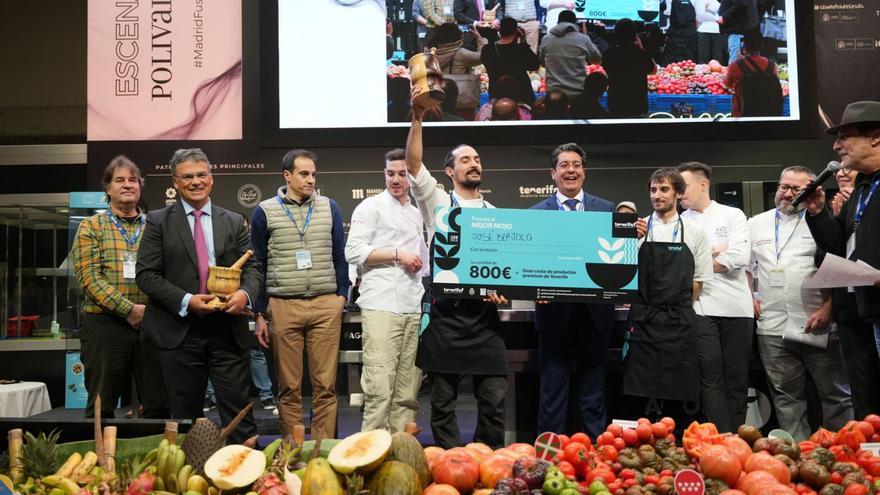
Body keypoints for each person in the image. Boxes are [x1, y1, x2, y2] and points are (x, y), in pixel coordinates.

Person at [406, 85, 510, 449]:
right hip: (446, 320)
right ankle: (451, 461)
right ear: (449, 170)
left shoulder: (497, 217)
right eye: (465, 160)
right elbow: (413, 165)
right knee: (442, 404)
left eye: (477, 159)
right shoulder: (437, 203)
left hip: (483, 321)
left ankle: (486, 458)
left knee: (495, 401)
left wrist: (505, 291)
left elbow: (505, 272)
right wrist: (417, 119)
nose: (474, 163)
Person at [136, 148, 258, 443]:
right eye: (187, 176)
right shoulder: (158, 221)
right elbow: (146, 275)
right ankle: (188, 480)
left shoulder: (232, 220)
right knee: (184, 418)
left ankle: (247, 480)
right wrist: (186, 300)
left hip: (227, 330)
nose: (196, 181)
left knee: (239, 415)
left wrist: (244, 294)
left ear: (211, 179)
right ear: (175, 182)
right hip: (179, 332)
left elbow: (254, 267)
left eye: (201, 174)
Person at [746, 166, 853, 441]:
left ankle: (841, 453)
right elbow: (747, 267)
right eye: (784, 187)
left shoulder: (823, 220)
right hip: (771, 324)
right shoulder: (756, 222)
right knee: (785, 398)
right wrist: (750, 296)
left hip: (816, 321)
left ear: (811, 190)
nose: (788, 194)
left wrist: (829, 307)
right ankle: (798, 458)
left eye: (797, 189)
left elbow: (839, 264)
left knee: (834, 395)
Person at [250, 149, 350, 440]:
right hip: (283, 305)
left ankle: (323, 454)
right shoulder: (264, 211)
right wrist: (259, 312)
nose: (310, 180)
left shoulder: (328, 206)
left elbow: (339, 255)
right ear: (287, 176)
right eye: (304, 174)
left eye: (314, 174)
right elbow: (259, 263)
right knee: (289, 387)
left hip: (325, 305)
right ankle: (293, 454)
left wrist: (340, 296)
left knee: (326, 386)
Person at [71, 156, 168, 419]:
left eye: (133, 180)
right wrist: (129, 310)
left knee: (158, 402)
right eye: (120, 180)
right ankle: (101, 459)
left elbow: (169, 273)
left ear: (140, 187)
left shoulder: (156, 225)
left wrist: (147, 313)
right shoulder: (91, 226)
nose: (128, 185)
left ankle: (158, 458)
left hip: (153, 324)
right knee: (102, 404)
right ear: (108, 188)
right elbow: (89, 278)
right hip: (105, 325)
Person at [530, 143, 615, 438]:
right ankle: (549, 458)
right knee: (552, 395)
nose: (571, 170)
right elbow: (530, 261)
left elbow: (616, 261)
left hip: (596, 315)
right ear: (553, 173)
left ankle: (598, 460)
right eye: (564, 165)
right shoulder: (535, 214)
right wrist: (534, 288)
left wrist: (633, 235)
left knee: (594, 394)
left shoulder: (606, 210)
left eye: (576, 165)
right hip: (554, 315)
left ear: (584, 172)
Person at [345, 148, 429, 433]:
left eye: (403, 174)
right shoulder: (370, 207)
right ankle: (371, 458)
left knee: (407, 392)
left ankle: (400, 457)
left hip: (412, 307)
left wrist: (418, 263)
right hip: (380, 305)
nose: (396, 179)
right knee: (379, 387)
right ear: (384, 173)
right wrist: (397, 254)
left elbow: (422, 261)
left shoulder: (417, 213)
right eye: (390, 173)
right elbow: (353, 251)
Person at [625, 168, 713, 406]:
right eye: (653, 190)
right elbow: (621, 275)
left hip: (679, 324)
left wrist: (676, 306)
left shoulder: (694, 232)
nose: (657, 195)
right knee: (640, 396)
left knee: (679, 396)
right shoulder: (637, 230)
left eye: (664, 189)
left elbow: (699, 282)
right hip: (643, 322)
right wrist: (629, 242)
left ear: (678, 194)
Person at [678, 161, 753, 434]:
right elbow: (676, 265)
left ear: (703, 184)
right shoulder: (679, 222)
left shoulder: (732, 215)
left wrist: (698, 261)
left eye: (682, 186)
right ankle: (717, 440)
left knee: (736, 379)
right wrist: (714, 254)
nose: (677, 193)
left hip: (737, 308)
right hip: (700, 308)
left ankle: (736, 441)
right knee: (709, 379)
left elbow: (739, 257)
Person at [803, 101, 880, 368]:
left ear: (875, 137)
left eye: (844, 137)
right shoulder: (863, 187)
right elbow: (839, 246)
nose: (836, 146)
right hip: (868, 307)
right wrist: (818, 213)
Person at [825, 164, 880, 418]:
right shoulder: (842, 206)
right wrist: (836, 218)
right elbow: (825, 255)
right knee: (861, 387)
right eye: (840, 170)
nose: (843, 173)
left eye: (849, 169)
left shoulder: (868, 198)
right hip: (849, 304)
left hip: (874, 298)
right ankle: (868, 446)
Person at [538, 10, 602, 98]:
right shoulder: (583, 39)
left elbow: (542, 63)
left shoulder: (546, 39)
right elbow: (597, 60)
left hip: (554, 95)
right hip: (577, 93)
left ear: (558, 23)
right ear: (575, 23)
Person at [601, 18, 657, 118]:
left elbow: (606, 69)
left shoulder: (609, 53)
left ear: (615, 33)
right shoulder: (639, 54)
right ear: (634, 35)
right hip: (638, 106)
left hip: (616, 104)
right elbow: (653, 70)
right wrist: (641, 48)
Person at [480, 17, 539, 105]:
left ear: (500, 30)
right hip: (521, 94)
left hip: (497, 94)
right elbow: (534, 65)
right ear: (516, 32)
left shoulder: (487, 50)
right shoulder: (521, 49)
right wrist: (523, 42)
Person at [724, 30, 778, 118]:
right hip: (767, 111)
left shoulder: (736, 65)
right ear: (761, 45)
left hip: (742, 112)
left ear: (744, 45)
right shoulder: (772, 65)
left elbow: (728, 85)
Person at [717, 0, 759, 64]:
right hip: (745, 29)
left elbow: (741, 4)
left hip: (738, 30)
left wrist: (724, 17)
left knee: (736, 62)